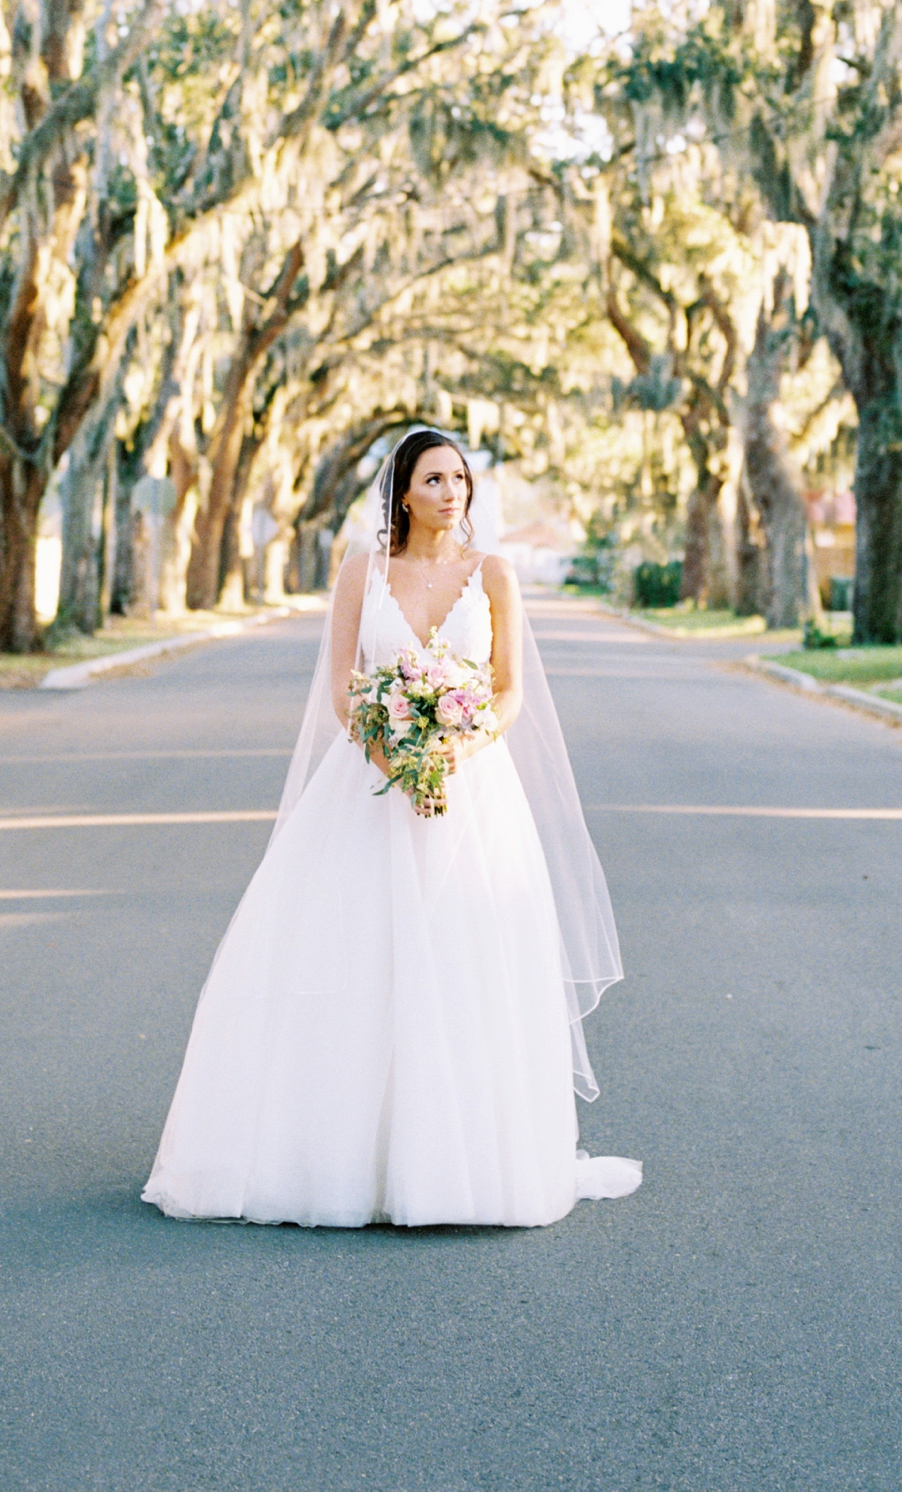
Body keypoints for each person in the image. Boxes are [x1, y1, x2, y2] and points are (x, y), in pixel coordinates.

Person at [142, 426, 641, 1228]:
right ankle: (345, 1157)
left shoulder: (496, 576)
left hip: (472, 791)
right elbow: (342, 689)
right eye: (435, 479)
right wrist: (389, 749)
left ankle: (463, 1162)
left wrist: (455, 746)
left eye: (460, 479)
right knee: (360, 957)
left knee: (462, 961)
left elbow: (507, 690)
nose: (452, 492)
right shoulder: (361, 573)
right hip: (368, 784)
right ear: (402, 492)